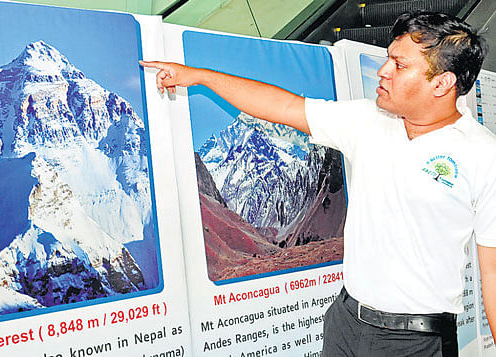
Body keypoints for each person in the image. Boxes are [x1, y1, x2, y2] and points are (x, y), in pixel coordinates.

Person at [141, 11, 494, 357]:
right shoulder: (369, 121)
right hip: (345, 325)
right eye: (388, 59)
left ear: (442, 83)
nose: (384, 71)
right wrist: (199, 76)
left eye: (400, 66)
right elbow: (284, 106)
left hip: (415, 342)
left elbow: (492, 272)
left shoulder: (482, 155)